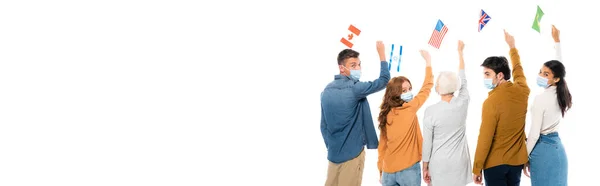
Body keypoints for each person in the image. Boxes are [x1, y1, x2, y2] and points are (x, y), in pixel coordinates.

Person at [320, 41, 390, 186]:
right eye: (353, 65)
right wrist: (382, 54)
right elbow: (384, 80)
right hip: (353, 155)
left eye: (359, 64)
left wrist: (332, 146)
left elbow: (323, 125)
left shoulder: (325, 91)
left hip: (333, 155)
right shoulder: (355, 89)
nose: (358, 68)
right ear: (341, 68)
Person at [472, 30, 529, 186]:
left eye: (488, 74)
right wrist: (512, 47)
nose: (484, 78)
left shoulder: (491, 102)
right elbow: (518, 69)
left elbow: (485, 137)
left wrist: (477, 167)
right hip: (516, 163)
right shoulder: (523, 90)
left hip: (494, 164)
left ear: (500, 75)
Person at [523, 25, 571, 186]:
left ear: (555, 79)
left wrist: (523, 158)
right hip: (558, 152)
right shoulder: (560, 91)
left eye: (546, 74)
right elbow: (560, 66)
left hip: (542, 153)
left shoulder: (541, 99)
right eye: (540, 72)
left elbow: (535, 134)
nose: (540, 76)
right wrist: (557, 41)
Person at [377, 49, 433, 186]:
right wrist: (428, 62)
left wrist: (380, 170)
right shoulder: (410, 107)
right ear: (396, 94)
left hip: (387, 171)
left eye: (409, 89)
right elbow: (427, 87)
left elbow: (382, 147)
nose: (409, 93)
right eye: (404, 90)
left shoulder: (385, 114)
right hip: (408, 171)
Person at [422, 40, 472, 186]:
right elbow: (463, 78)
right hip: (460, 163)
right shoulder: (463, 102)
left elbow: (427, 143)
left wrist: (425, 165)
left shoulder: (430, 111)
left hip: (439, 164)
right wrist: (460, 53)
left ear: (439, 88)